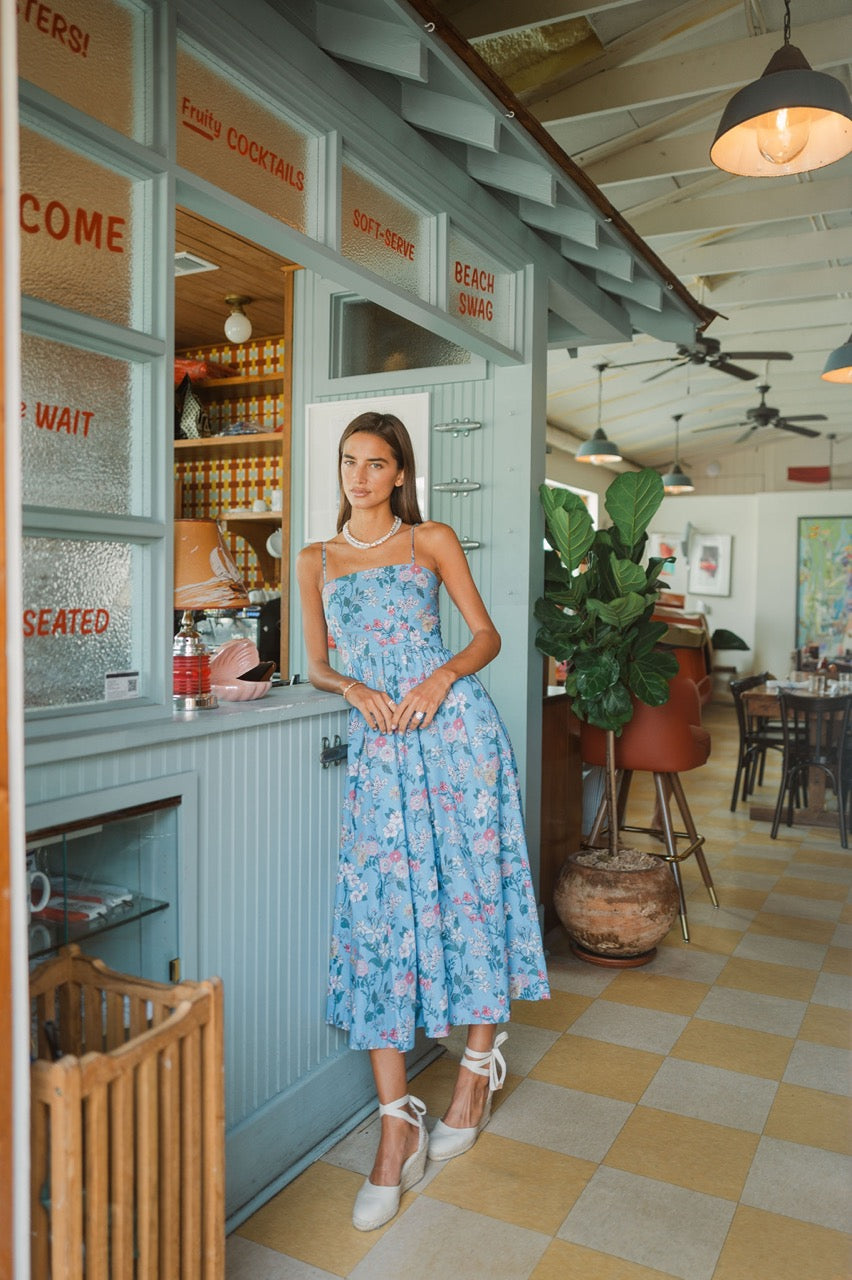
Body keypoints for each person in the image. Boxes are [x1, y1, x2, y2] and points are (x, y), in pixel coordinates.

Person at [296, 411, 550, 1231]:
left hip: (459, 738)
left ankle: (476, 1071)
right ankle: (394, 1127)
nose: (358, 477)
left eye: (375, 464)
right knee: (378, 922)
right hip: (380, 752)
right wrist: (352, 689)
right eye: (348, 462)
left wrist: (440, 678)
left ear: (401, 474)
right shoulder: (313, 559)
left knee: (474, 898)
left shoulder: (431, 539)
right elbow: (317, 663)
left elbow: (487, 635)